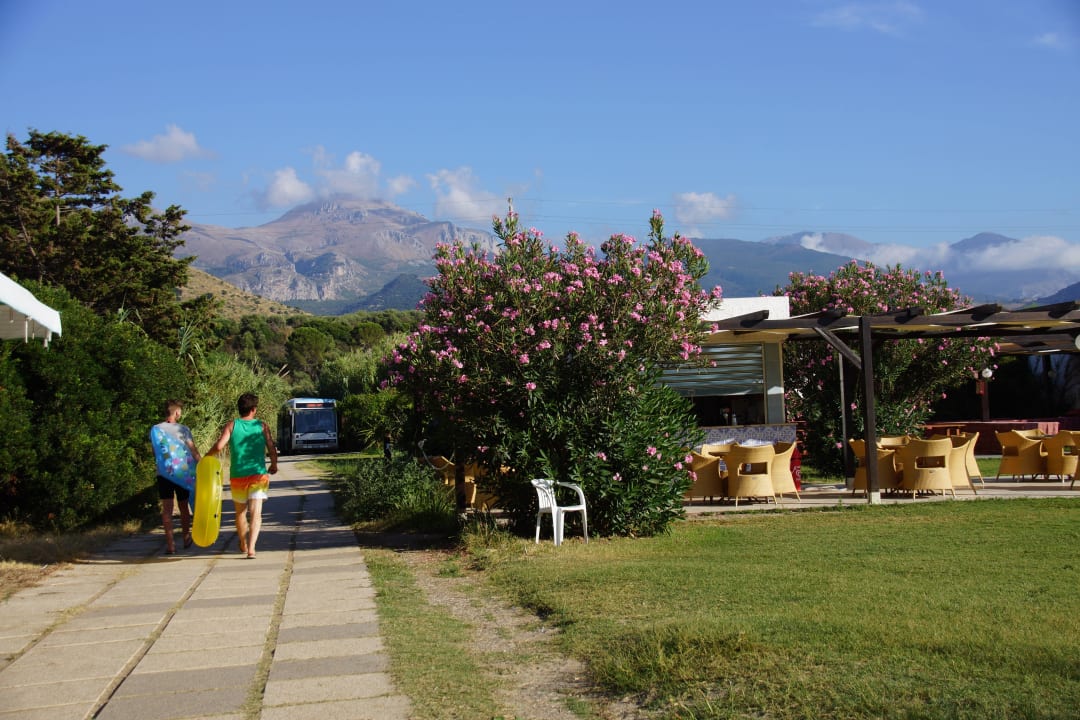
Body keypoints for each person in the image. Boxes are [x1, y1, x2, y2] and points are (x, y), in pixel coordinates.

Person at [208, 393, 278, 559]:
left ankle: (243, 542)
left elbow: (219, 445)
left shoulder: (232, 425)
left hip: (238, 475)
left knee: (240, 512)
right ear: (254, 409)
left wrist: (207, 456)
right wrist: (274, 464)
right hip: (258, 475)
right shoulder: (262, 426)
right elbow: (271, 447)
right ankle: (252, 548)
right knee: (256, 513)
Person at [150, 399, 200, 554]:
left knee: (167, 510)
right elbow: (192, 450)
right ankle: (186, 537)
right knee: (184, 507)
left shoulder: (155, 430)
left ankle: (170, 545)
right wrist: (203, 464)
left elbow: (155, 452)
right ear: (177, 412)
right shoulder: (183, 429)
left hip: (164, 474)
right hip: (182, 474)